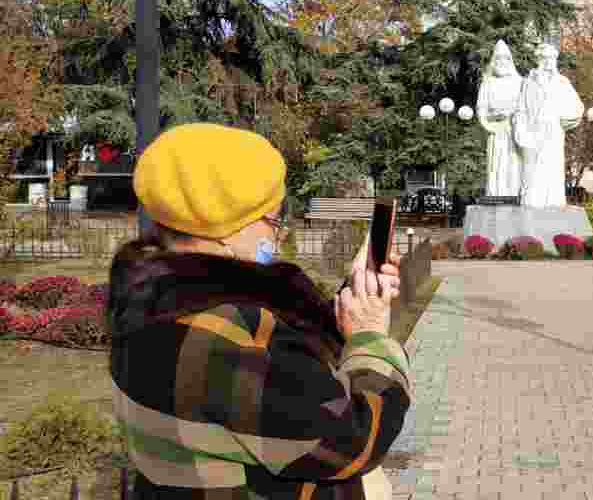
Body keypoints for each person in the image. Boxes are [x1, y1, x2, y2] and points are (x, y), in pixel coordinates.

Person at [108, 123, 411, 499]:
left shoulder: (151, 299)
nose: (278, 234)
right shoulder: (223, 335)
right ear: (224, 228)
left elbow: (284, 383)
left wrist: (349, 303)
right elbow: (352, 440)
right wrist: (371, 339)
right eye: (271, 219)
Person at [513, 43, 585, 208]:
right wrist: (520, 130)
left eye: (552, 58)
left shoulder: (562, 82)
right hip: (532, 131)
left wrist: (565, 118)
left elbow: (578, 107)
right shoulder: (527, 82)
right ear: (538, 59)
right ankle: (531, 204)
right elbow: (520, 109)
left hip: (553, 131)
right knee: (531, 172)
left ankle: (553, 203)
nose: (548, 62)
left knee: (552, 168)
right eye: (544, 58)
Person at [476, 40, 524, 198]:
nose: (501, 62)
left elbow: (527, 107)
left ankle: (515, 192)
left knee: (514, 163)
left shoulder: (521, 83)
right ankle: (495, 194)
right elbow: (481, 110)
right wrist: (494, 118)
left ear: (510, 61)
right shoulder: (487, 83)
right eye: (498, 58)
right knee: (496, 164)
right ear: (493, 61)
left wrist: (514, 115)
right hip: (496, 131)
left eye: (505, 58)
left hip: (515, 130)